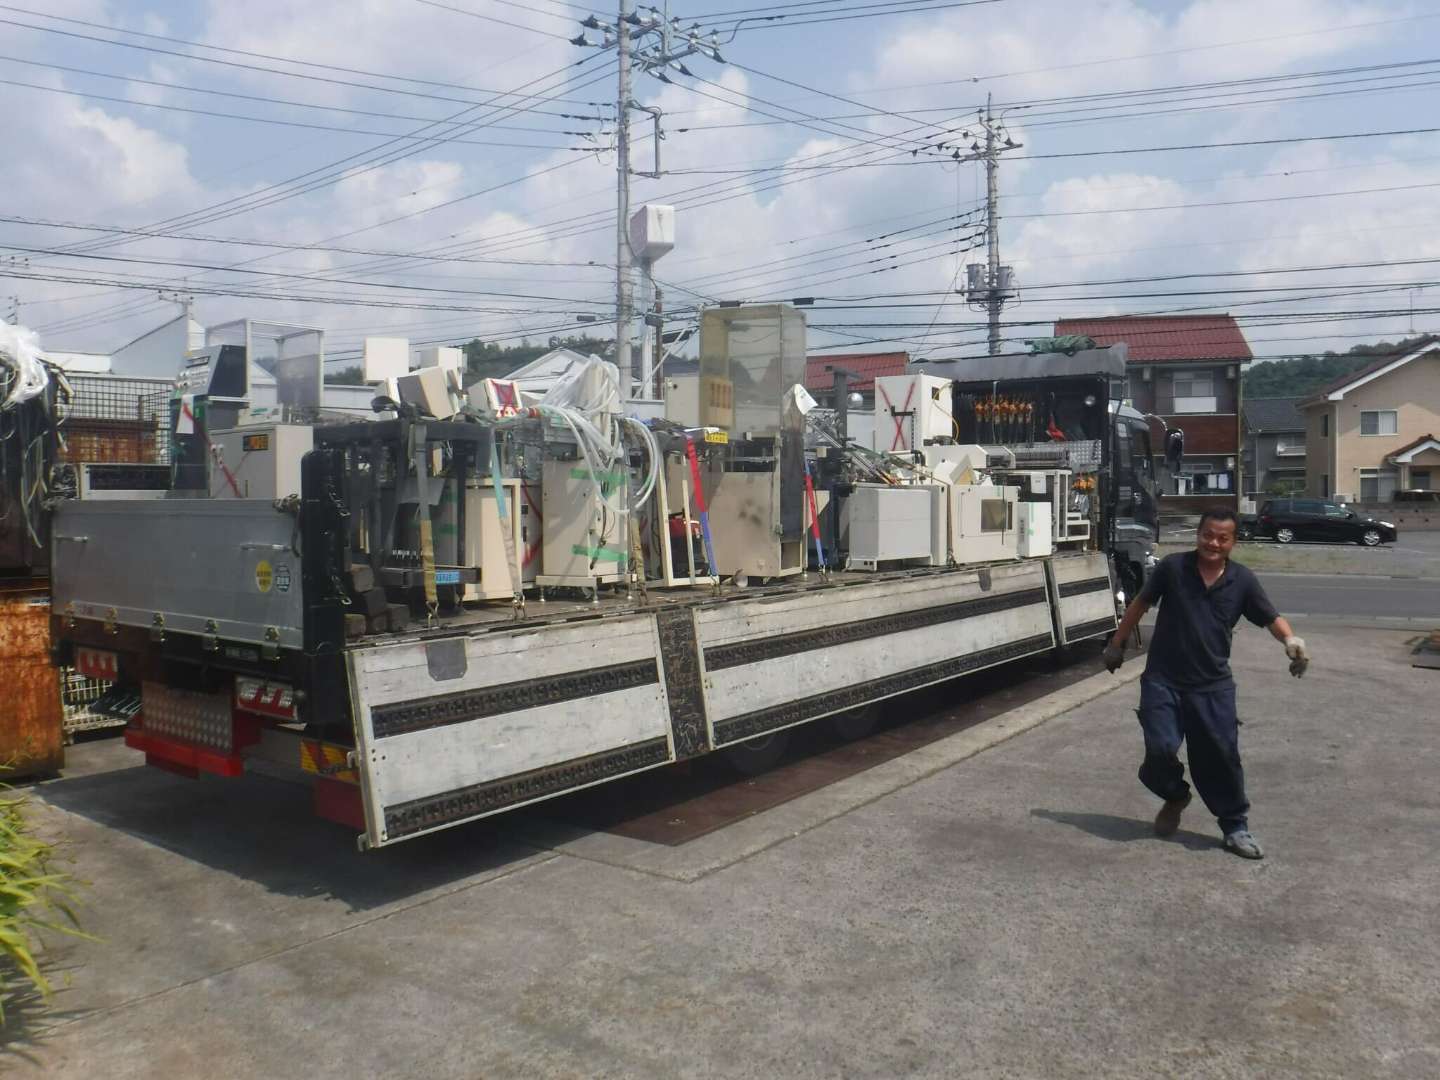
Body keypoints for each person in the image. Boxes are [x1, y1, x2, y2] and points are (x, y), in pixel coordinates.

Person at [1102, 507, 1309, 860]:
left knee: (1221, 757)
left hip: (1213, 686)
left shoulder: (1242, 580)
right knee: (1160, 748)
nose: (1213, 543)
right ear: (1198, 535)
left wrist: (1291, 641)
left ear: (1233, 542)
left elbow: (1270, 617)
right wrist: (1116, 644)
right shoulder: (1173, 568)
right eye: (1207, 535)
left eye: (1222, 538)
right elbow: (1140, 604)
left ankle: (1235, 826)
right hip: (1163, 679)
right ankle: (1175, 795)